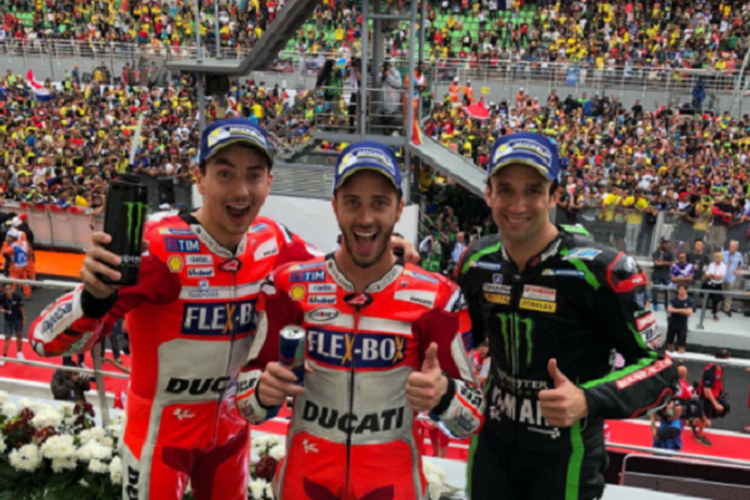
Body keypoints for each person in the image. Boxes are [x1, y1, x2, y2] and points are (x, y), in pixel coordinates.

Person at [30, 120, 418, 500]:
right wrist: (92, 297)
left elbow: (333, 271)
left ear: (269, 181)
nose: (241, 190)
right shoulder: (156, 247)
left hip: (231, 437)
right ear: (198, 178)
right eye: (225, 174)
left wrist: (386, 246)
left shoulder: (275, 241)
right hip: (159, 437)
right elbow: (44, 342)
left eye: (253, 175)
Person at [236, 142, 484, 499]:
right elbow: (248, 404)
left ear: (399, 209)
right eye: (353, 202)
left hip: (392, 488)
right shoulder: (287, 286)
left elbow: (471, 420)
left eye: (379, 203)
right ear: (335, 206)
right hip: (304, 484)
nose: (366, 218)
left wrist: (444, 394)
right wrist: (262, 392)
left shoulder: (438, 299)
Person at [457, 132, 677, 500]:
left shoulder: (604, 270)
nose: (518, 204)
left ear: (555, 197)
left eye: (533, 190)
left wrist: (588, 399)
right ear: (488, 195)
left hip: (566, 458)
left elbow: (660, 368)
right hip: (491, 449)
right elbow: (460, 334)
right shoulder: (476, 261)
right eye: (506, 190)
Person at [698, 349, 731, 444]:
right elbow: (706, 390)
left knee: (712, 415)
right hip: (707, 398)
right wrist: (715, 403)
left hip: (715, 395)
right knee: (706, 421)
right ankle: (699, 436)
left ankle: (694, 422)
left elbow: (718, 380)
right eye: (727, 358)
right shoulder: (710, 371)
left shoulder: (719, 366)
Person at [0, 283, 25, 364]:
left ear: (12, 289)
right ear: (4, 290)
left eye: (9, 289)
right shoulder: (2, 297)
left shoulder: (17, 297)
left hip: (18, 319)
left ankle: (19, 353)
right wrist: (2, 310)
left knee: (19, 335)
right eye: (6, 289)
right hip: (8, 320)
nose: (8, 291)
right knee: (7, 337)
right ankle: (4, 356)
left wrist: (24, 318)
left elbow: (21, 308)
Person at [2, 232, 31, 298]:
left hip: (16, 266)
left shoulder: (14, 245)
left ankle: (11, 294)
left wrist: (5, 243)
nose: (7, 238)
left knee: (12, 281)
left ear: (12, 237)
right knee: (24, 279)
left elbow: (4, 251)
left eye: (8, 236)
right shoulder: (24, 243)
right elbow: (27, 250)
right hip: (24, 264)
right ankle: (27, 293)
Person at [666, 284, 693, 354]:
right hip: (672, 323)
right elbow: (669, 309)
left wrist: (675, 310)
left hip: (682, 325)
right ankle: (670, 358)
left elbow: (689, 313)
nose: (681, 291)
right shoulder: (674, 299)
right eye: (680, 290)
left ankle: (680, 361)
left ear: (686, 290)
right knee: (670, 342)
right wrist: (683, 310)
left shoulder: (690, 300)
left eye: (683, 290)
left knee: (681, 344)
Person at [702, 252, 727, 321]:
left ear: (721, 258)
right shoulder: (711, 265)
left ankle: (714, 314)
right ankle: (703, 313)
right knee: (706, 298)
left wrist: (712, 276)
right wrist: (714, 276)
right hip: (710, 284)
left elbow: (720, 277)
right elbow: (707, 274)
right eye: (716, 257)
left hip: (718, 285)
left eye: (719, 258)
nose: (717, 259)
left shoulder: (723, 266)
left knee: (716, 300)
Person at [721, 240, 743, 317]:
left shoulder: (739, 255)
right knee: (719, 292)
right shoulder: (723, 253)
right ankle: (717, 308)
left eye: (733, 247)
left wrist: (738, 270)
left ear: (737, 248)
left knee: (728, 294)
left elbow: (740, 265)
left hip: (731, 277)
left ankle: (726, 309)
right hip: (722, 276)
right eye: (730, 246)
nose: (731, 248)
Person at [651, 237, 674, 311]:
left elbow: (672, 263)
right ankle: (655, 304)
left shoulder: (669, 253)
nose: (665, 244)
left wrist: (663, 263)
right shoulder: (655, 253)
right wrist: (666, 262)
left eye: (666, 243)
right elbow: (656, 263)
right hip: (657, 274)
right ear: (660, 243)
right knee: (655, 290)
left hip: (666, 274)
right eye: (664, 243)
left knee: (667, 290)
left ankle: (667, 305)